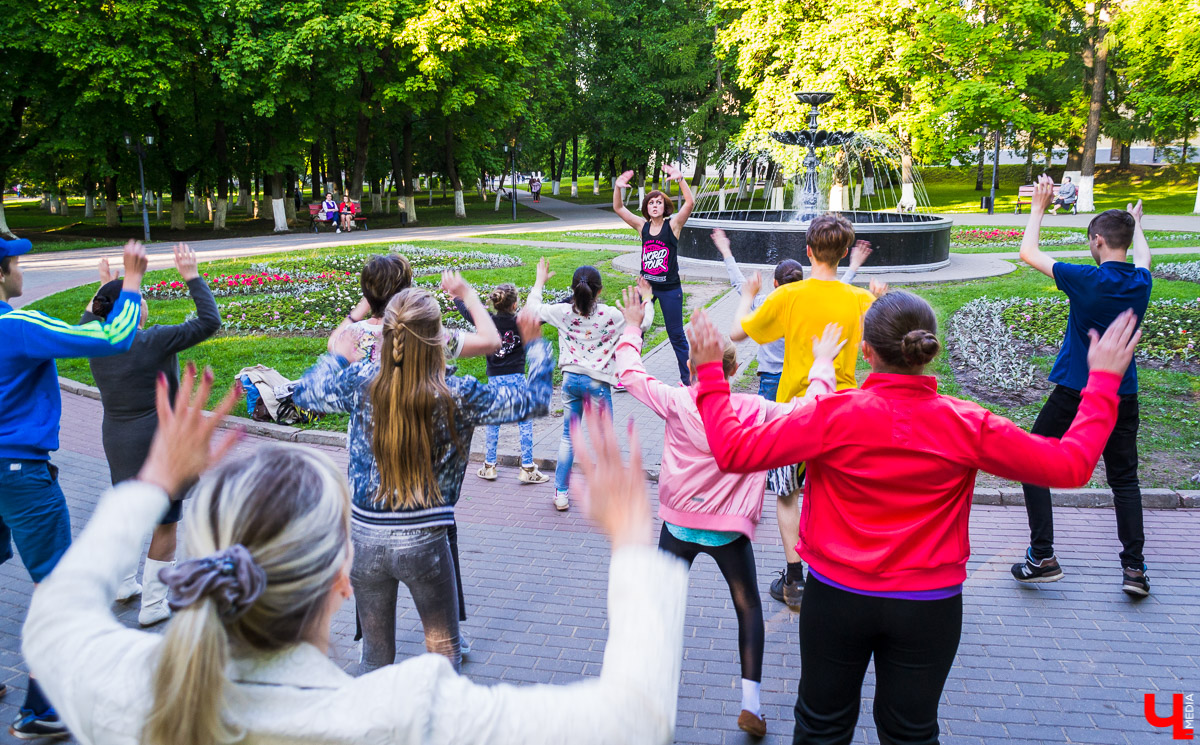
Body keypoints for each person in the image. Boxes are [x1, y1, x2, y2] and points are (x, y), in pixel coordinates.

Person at [24, 366, 690, 745]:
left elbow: (52, 611)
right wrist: (633, 539)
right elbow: (635, 719)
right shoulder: (405, 715)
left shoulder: (128, 687)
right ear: (340, 582)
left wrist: (152, 485)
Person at [688, 295, 1141, 745]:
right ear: (927, 348)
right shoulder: (967, 423)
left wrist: (710, 371)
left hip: (838, 598)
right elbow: (1070, 466)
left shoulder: (832, 415)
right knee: (911, 734)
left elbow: (733, 451)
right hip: (930, 606)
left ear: (866, 352)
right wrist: (1101, 383)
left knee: (821, 727)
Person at [616, 282, 841, 738]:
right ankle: (751, 706)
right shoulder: (753, 409)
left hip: (678, 523)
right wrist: (821, 366)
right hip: (728, 531)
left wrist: (633, 326)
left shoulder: (678, 401)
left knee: (659, 611)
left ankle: (647, 701)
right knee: (748, 607)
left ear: (691, 366)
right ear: (733, 371)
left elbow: (631, 375)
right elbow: (807, 410)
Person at [292, 281, 552, 673]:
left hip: (365, 537)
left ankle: (376, 730)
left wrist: (337, 358)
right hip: (426, 539)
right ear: (439, 340)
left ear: (386, 334)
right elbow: (533, 401)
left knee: (375, 659)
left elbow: (306, 394)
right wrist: (536, 344)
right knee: (443, 654)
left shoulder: (362, 381)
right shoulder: (456, 393)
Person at [1, 236, 147, 738]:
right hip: (19, 471)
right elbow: (115, 338)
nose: (23, 272)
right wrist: (130, 282)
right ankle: (43, 709)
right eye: (17, 264)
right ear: (1, 274)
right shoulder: (16, 325)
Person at [728, 214, 885, 606]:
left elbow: (737, 332)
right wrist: (877, 301)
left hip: (792, 411)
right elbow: (878, 346)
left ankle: (794, 580)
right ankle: (832, 574)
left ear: (809, 250)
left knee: (786, 495)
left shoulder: (788, 296)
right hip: (844, 410)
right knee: (831, 493)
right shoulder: (858, 298)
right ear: (844, 252)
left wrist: (747, 296)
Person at [1013, 176, 1153, 596]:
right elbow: (1144, 257)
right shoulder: (1140, 283)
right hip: (1123, 394)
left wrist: (1038, 207)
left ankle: (1043, 556)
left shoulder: (1085, 279)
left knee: (1031, 461)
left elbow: (1028, 253)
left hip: (1076, 391)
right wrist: (1137, 224)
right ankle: (1134, 571)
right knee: (1124, 480)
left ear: (1096, 241)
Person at [79, 244, 221, 627]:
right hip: (161, 444)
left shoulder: (92, 338)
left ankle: (125, 583)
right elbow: (209, 321)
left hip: (117, 440)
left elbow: (92, 312)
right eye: (137, 300)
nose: (143, 304)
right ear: (128, 309)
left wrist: (108, 285)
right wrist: (192, 276)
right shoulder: (152, 340)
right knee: (165, 520)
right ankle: (154, 603)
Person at [526, 258, 654, 511]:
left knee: (568, 438)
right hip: (597, 384)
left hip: (571, 381)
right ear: (600, 290)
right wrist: (647, 298)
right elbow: (643, 324)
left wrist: (539, 282)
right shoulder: (611, 315)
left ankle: (561, 493)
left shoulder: (562, 313)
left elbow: (533, 309)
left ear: (573, 289)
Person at [326, 254, 502, 364]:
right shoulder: (425, 333)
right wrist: (468, 295)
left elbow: (332, 343)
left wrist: (361, 308)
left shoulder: (353, 335)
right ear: (407, 290)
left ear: (367, 294)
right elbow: (491, 342)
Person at [455, 283, 551, 485]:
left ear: (495, 302)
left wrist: (456, 298)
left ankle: (489, 466)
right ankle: (527, 467)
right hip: (517, 377)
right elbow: (545, 315)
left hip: (494, 379)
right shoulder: (521, 322)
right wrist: (572, 299)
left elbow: (468, 312)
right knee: (525, 421)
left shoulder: (487, 321)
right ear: (515, 304)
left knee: (493, 421)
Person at [612, 164, 695, 385]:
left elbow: (690, 203)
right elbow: (619, 208)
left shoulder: (673, 226)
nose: (655, 205)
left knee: (676, 335)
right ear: (646, 208)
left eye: (659, 202)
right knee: (633, 329)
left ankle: (688, 381)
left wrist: (680, 180)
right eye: (651, 202)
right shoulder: (642, 227)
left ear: (665, 206)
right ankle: (626, 374)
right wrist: (618, 187)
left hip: (669, 289)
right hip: (645, 288)